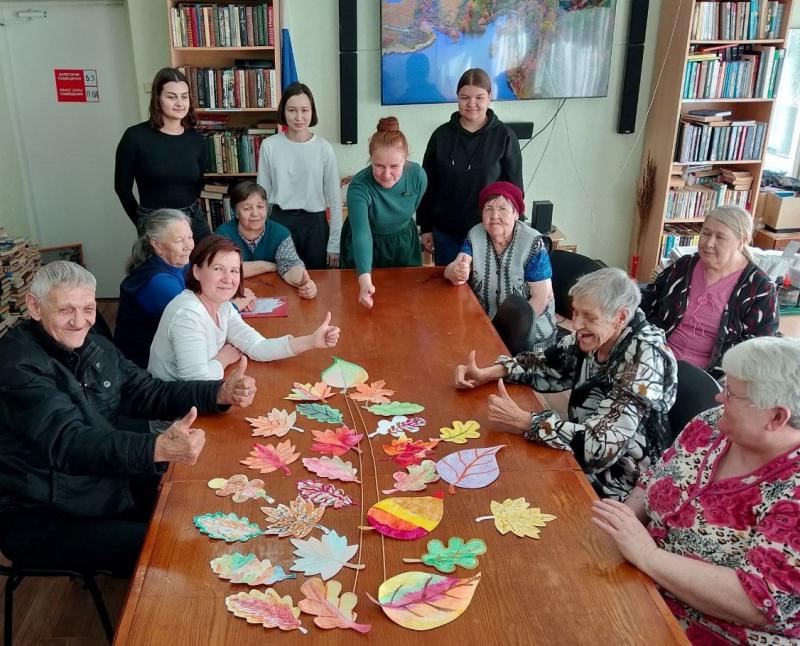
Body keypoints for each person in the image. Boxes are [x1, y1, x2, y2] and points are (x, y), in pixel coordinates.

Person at [0, 261, 256, 575]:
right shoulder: (17, 365)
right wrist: (155, 449)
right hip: (44, 513)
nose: (80, 322)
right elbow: (70, 442)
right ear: (34, 307)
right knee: (177, 547)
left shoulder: (94, 345)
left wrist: (217, 393)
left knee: (201, 501)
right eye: (66, 310)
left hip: (97, 482)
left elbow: (149, 391)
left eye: (88, 309)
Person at [593, 337, 800, 643]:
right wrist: (618, 525)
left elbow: (758, 602)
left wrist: (648, 556)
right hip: (640, 580)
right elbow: (653, 478)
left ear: (776, 417)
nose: (718, 397)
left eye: (730, 392)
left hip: (709, 630)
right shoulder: (713, 425)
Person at [455, 267, 677, 500]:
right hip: (578, 452)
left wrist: (525, 421)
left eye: (589, 317)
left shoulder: (645, 358)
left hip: (623, 482)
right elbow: (546, 365)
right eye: (575, 312)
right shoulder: (598, 333)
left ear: (621, 316)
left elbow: (601, 447)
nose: (576, 324)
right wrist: (488, 372)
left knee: (513, 484)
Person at [148, 235, 340, 381]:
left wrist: (311, 341)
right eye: (217, 269)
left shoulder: (222, 306)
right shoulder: (188, 313)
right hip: (175, 420)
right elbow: (195, 382)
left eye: (233, 271)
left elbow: (258, 347)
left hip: (201, 402)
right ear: (196, 271)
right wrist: (223, 359)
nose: (228, 279)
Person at [641, 205, 778, 380]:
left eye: (720, 237)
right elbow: (647, 302)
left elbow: (759, 349)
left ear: (741, 241)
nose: (708, 243)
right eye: (706, 233)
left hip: (711, 378)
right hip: (656, 359)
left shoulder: (759, 288)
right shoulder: (684, 266)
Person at [417, 68, 523, 266]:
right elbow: (427, 186)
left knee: (486, 293)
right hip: (447, 233)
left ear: (490, 97)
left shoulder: (505, 137)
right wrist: (425, 227)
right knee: (450, 292)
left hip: (490, 233)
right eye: (465, 97)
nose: (471, 104)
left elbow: (515, 190)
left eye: (479, 97)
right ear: (457, 97)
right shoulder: (441, 136)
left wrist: (515, 231)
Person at [444, 181, 556, 351]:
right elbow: (452, 270)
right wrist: (456, 272)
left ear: (516, 214)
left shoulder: (532, 244)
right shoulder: (475, 234)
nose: (494, 215)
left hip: (529, 331)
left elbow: (542, 298)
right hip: (485, 323)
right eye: (488, 209)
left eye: (502, 209)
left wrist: (507, 331)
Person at [341, 117, 427, 308]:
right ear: (370, 159)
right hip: (365, 243)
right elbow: (362, 233)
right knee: (360, 307)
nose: (386, 175)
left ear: (405, 160)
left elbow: (411, 209)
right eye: (378, 166)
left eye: (395, 166)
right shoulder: (359, 186)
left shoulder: (418, 176)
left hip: (403, 242)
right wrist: (364, 280)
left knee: (406, 304)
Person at [114, 67, 210, 240]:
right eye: (171, 97)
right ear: (158, 99)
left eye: (184, 96)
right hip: (154, 219)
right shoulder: (135, 137)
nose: (180, 103)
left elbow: (198, 184)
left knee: (213, 261)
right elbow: (122, 188)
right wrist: (141, 222)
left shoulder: (196, 139)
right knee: (162, 268)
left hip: (192, 216)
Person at [256, 82, 342, 269]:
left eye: (305, 110)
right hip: (280, 222)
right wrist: (260, 237)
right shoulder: (269, 146)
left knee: (317, 285)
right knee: (281, 282)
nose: (299, 117)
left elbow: (335, 200)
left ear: (312, 112)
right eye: (292, 110)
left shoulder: (324, 148)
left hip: (315, 226)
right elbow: (261, 198)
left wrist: (335, 244)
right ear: (283, 112)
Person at [215, 181, 317, 299]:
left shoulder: (280, 233)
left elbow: (290, 265)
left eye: (260, 206)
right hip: (234, 297)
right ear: (236, 213)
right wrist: (267, 266)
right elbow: (223, 271)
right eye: (247, 208)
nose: (255, 213)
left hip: (274, 294)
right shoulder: (223, 235)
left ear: (267, 209)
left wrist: (304, 283)